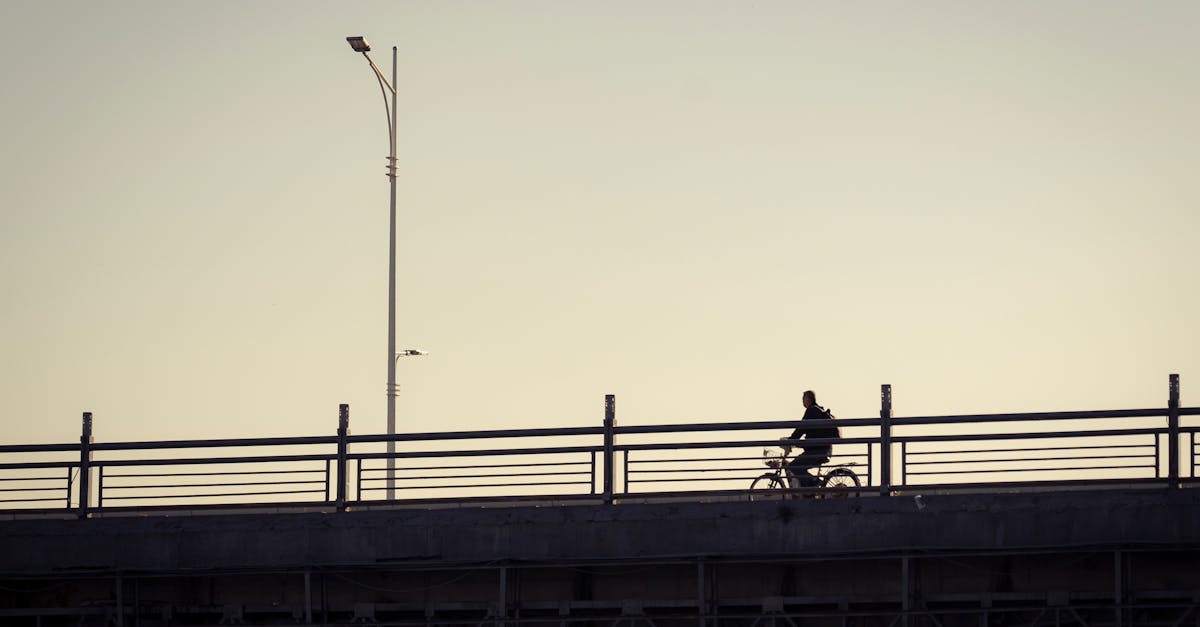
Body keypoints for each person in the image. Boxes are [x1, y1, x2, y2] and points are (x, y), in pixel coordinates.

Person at [783, 390, 838, 489]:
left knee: (793, 466)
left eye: (803, 399)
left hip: (818, 451)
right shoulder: (816, 410)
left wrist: (791, 440)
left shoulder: (811, 410)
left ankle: (815, 481)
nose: (802, 401)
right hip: (822, 449)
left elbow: (801, 428)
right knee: (799, 466)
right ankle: (808, 490)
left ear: (808, 399)